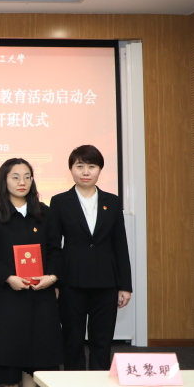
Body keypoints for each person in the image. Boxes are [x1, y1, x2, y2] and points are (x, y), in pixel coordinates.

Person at [0, 158, 64, 387]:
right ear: (4, 180)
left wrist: (51, 277)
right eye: (15, 177)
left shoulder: (44, 212)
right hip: (7, 293)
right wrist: (8, 277)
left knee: (36, 351)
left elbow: (55, 250)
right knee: (10, 351)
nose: (22, 182)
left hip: (40, 294)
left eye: (27, 176)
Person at [49, 145, 132, 372]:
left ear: (99, 170)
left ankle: (99, 386)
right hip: (71, 282)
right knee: (72, 339)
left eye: (92, 166)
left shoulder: (112, 201)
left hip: (106, 282)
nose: (86, 172)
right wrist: (54, 281)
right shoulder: (59, 201)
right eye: (80, 166)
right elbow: (53, 246)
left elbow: (120, 245)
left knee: (102, 340)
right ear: (71, 169)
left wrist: (125, 285)